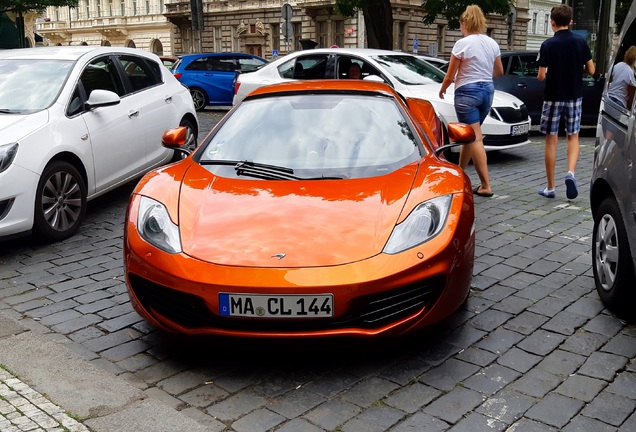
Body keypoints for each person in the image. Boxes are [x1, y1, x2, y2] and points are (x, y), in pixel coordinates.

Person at [439, 4, 503, 198]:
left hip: (467, 92)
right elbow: (499, 71)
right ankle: (460, 172)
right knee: (469, 134)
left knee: (475, 137)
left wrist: (442, 89)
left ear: (465, 23)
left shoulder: (462, 44)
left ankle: (485, 185)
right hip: (487, 91)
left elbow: (450, 76)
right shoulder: (492, 43)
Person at [537, 4, 595, 200]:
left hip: (553, 96)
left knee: (551, 141)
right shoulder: (580, 42)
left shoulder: (547, 45)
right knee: (573, 136)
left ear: (552, 23)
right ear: (570, 22)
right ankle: (570, 173)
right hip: (574, 95)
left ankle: (550, 187)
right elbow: (592, 70)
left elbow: (541, 75)